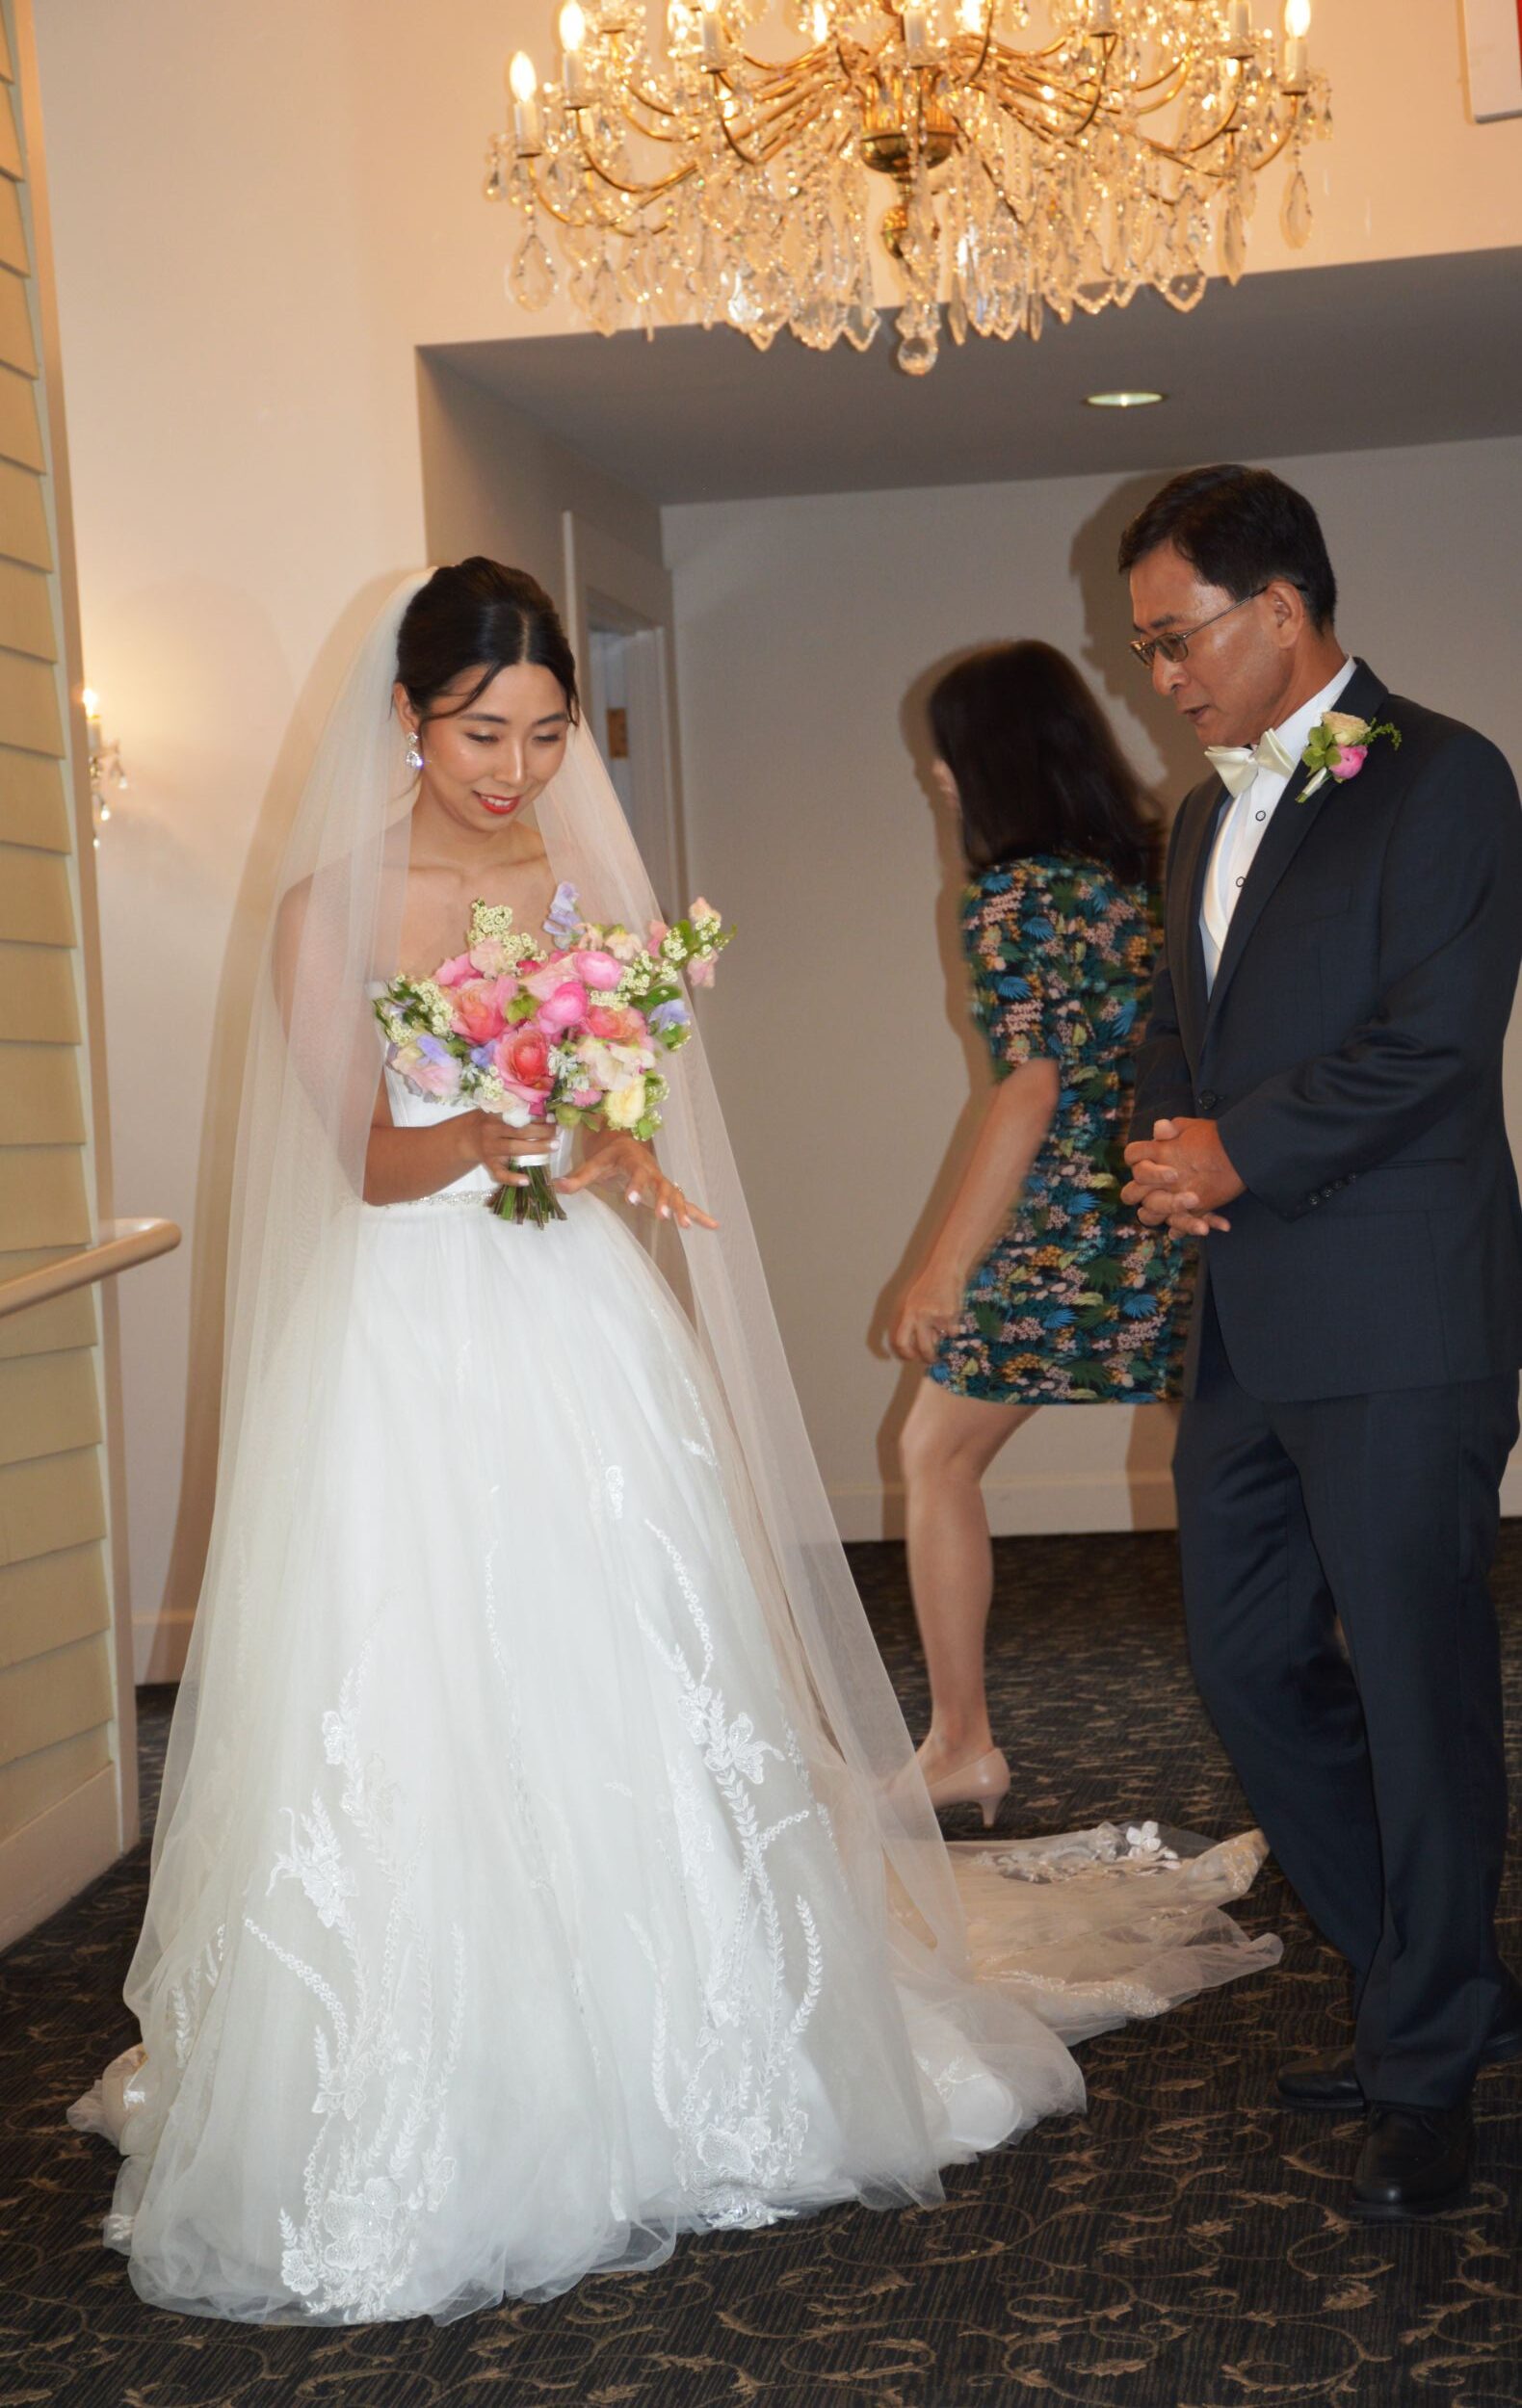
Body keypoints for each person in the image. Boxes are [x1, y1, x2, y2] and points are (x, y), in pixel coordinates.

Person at [71, 563, 1277, 2323]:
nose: (518, 770)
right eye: (483, 733)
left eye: (548, 734)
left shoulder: (574, 885)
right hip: (407, 1333)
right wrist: (489, 1128)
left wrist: (611, 1146)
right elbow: (363, 1162)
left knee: (623, 1654)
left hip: (572, 1318)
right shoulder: (333, 906)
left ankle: (692, 2043)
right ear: (409, 721)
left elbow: (616, 1108)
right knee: (424, 1669)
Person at [1117, 464, 1522, 2222]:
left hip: (1404, 1314)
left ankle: (1424, 2065)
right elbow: (1179, 1023)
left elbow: (1438, 1038)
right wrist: (1166, 1143)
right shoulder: (1196, 816)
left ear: (1279, 611)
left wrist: (1242, 1151)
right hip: (1251, 1320)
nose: (1160, 678)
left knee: (1422, 1693)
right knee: (1246, 1664)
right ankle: (1433, 1976)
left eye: (1175, 639)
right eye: (1146, 649)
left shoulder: (1446, 774)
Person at [892, 643, 1192, 1826]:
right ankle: (1331, 1709)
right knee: (1241, 1470)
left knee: (933, 1452)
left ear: (985, 758)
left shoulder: (1013, 894)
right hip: (1179, 1202)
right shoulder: (1156, 869)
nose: (934, 771)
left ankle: (960, 1743)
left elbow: (1028, 1089)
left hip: (1073, 1221)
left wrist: (941, 1269)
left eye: (944, 749)